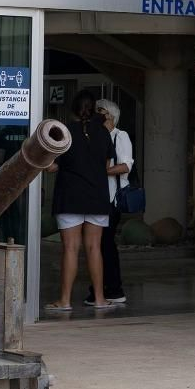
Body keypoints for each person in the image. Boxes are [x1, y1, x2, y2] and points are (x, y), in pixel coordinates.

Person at [46, 89, 116, 312]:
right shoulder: (104, 133)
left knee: (70, 248)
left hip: (70, 195)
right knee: (95, 248)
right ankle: (100, 298)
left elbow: (51, 166)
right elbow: (106, 167)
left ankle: (64, 301)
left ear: (73, 110)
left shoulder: (65, 133)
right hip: (97, 195)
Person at [83, 98, 132, 307]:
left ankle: (112, 288)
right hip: (97, 196)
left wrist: (99, 171)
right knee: (99, 245)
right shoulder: (94, 136)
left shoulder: (120, 136)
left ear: (112, 117)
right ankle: (102, 288)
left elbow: (125, 166)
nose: (99, 115)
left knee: (105, 244)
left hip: (111, 198)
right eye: (97, 111)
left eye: (102, 112)